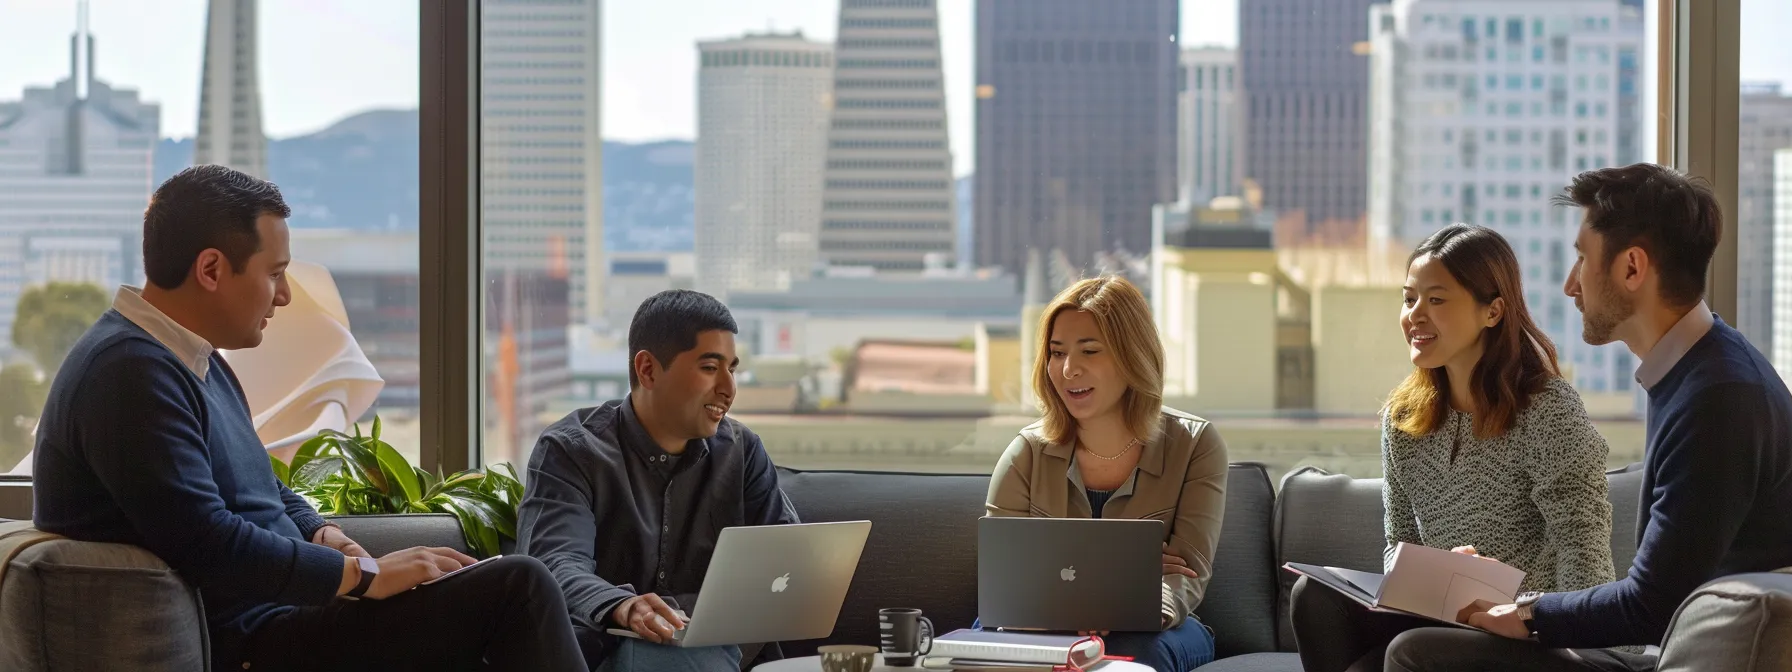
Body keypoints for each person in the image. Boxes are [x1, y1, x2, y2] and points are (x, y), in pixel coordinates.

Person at [29, 165, 585, 671]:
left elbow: (264, 485)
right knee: (521, 586)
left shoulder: (188, 360)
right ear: (211, 269)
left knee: (479, 579)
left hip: (287, 615)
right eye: (275, 274)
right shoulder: (127, 375)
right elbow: (207, 541)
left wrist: (327, 534)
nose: (286, 296)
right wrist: (365, 577)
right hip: (259, 640)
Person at [1384, 164, 1792, 670]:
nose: (1569, 284)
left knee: (1415, 653)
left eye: (1581, 258)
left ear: (1632, 268)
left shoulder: (1719, 398)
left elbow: (1650, 605)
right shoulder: (1696, 374)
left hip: (1674, 655)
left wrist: (1526, 611)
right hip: (1664, 642)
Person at [1289, 224, 1617, 672]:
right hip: (1441, 619)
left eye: (1436, 300)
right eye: (1409, 299)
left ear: (1493, 311)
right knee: (1315, 597)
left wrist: (1511, 602)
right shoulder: (1401, 419)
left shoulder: (1548, 411)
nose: (1415, 316)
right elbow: (1397, 542)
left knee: (1410, 654)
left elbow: (1582, 549)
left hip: (1532, 631)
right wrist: (1434, 574)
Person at [517, 289, 800, 672]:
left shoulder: (742, 450)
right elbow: (553, 562)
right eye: (709, 368)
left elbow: (790, 560)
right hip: (606, 655)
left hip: (723, 654)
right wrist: (622, 605)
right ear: (648, 369)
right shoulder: (571, 450)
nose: (729, 389)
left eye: (732, 369)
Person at [985, 275, 1225, 672]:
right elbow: (1005, 581)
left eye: (1089, 351)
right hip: (1040, 621)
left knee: (1133, 654)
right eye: (1057, 353)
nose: (1067, 370)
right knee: (998, 645)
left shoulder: (1195, 444)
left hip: (1155, 626)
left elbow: (1187, 574)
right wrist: (1097, 596)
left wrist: (1119, 611)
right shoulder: (1025, 453)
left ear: (1132, 356)